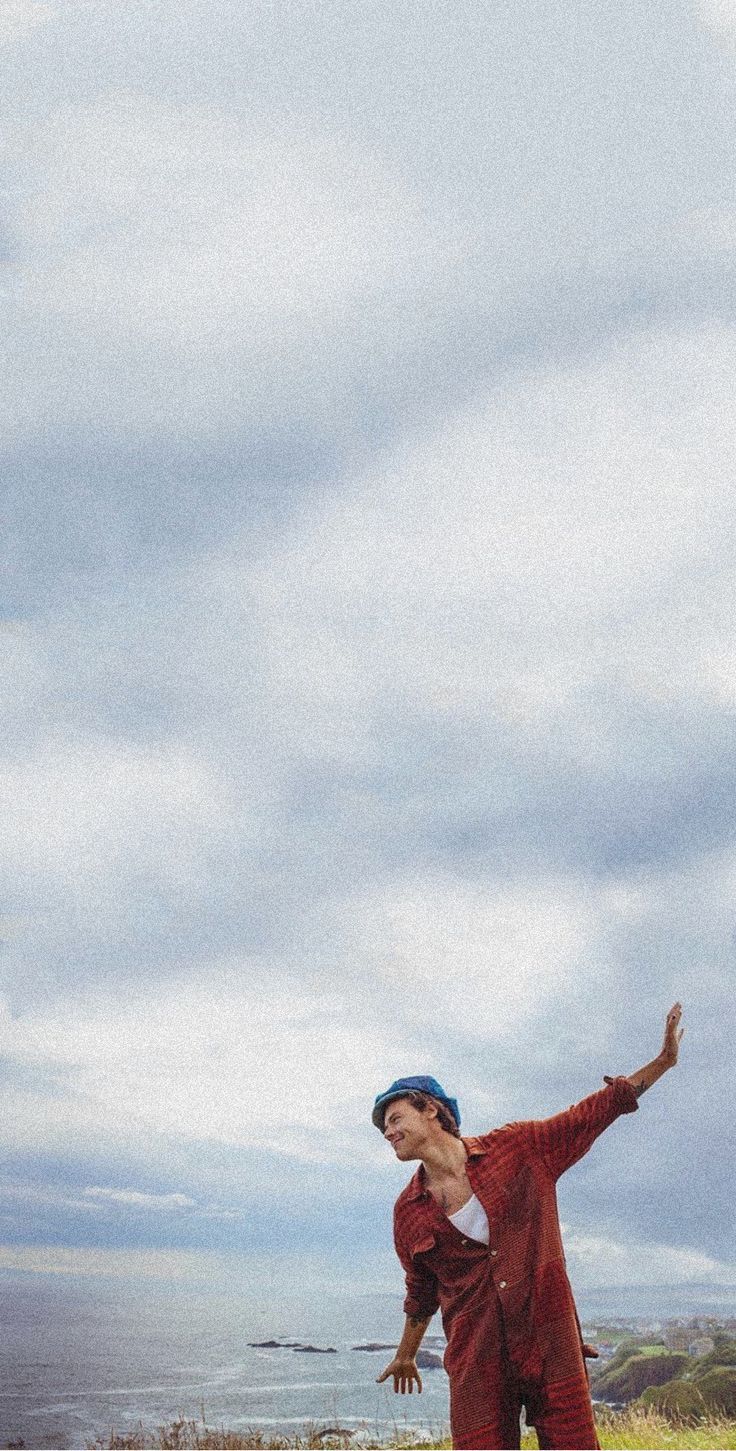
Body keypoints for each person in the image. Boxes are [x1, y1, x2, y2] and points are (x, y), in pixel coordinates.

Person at [374, 1003, 684, 1450]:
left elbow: (592, 1113)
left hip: (549, 1341)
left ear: (431, 1111)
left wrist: (663, 1063)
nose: (388, 1131)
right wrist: (405, 1354)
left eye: (395, 1117)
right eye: (383, 1127)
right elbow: (420, 1289)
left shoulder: (519, 1149)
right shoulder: (408, 1212)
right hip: (476, 1359)